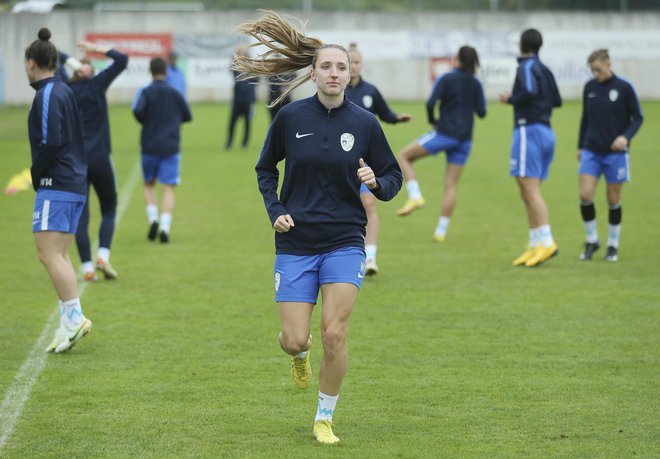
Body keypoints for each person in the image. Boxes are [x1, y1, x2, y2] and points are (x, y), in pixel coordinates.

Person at [232, 10, 402, 444]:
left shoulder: (365, 123)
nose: (333, 73)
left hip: (346, 240)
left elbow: (393, 177)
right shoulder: (290, 119)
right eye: (325, 66)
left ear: (349, 75)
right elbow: (265, 169)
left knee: (334, 332)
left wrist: (376, 183)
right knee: (295, 339)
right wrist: (275, 210)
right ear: (313, 73)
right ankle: (299, 354)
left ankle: (324, 417)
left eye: (341, 67)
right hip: (296, 241)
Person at [24, 28, 93, 353]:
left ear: (31, 63)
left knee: (48, 253)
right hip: (73, 181)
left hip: (58, 183)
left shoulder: (49, 93)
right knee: (59, 254)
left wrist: (36, 174)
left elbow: (51, 141)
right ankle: (70, 321)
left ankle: (74, 318)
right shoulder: (63, 90)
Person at [396, 45, 486, 244]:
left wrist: (432, 120)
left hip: (444, 133)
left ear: (458, 59)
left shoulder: (447, 78)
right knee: (451, 185)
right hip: (464, 140)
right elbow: (482, 112)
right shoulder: (476, 83)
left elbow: (430, 103)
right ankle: (441, 230)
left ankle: (415, 195)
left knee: (403, 156)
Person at [61, 41, 128, 281]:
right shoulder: (97, 85)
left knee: (82, 215)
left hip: (77, 163)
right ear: (86, 72)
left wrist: (72, 62)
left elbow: (56, 56)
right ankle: (102, 255)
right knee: (109, 208)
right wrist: (96, 47)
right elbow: (122, 60)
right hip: (100, 158)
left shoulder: (66, 89)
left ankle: (88, 267)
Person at [345, 42, 412, 275]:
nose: (352, 67)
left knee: (369, 204)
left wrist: (397, 118)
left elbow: (384, 113)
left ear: (361, 65)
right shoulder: (335, 91)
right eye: (349, 62)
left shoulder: (370, 91)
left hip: (365, 160)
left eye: (356, 62)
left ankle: (370, 257)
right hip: (339, 162)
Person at [499, 28, 562, 268]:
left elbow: (529, 91)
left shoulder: (525, 66)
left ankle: (547, 241)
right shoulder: (545, 69)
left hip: (528, 130)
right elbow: (556, 100)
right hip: (546, 130)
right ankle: (534, 243)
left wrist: (510, 99)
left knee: (529, 188)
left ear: (522, 45)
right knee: (528, 189)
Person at [577, 49, 643, 262]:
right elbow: (585, 118)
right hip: (591, 151)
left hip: (615, 154)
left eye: (598, 69)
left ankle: (612, 244)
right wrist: (580, 146)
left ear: (609, 64)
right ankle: (592, 240)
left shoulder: (624, 88)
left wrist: (625, 137)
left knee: (613, 199)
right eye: (592, 70)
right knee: (585, 195)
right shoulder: (589, 87)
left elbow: (638, 118)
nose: (595, 74)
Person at [132, 57, 192, 243]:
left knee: (149, 184)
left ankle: (153, 219)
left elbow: (137, 111)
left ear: (150, 71)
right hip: (170, 146)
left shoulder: (145, 92)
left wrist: (148, 122)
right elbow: (187, 115)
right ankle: (165, 226)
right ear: (165, 71)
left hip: (149, 145)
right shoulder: (175, 92)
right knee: (168, 188)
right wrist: (173, 122)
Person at [225, 45, 256, 150]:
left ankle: (245, 143)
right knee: (232, 122)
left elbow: (257, 80)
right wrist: (237, 53)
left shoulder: (251, 67)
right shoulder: (236, 67)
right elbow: (231, 67)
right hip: (237, 99)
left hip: (248, 99)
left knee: (247, 122)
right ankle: (229, 142)